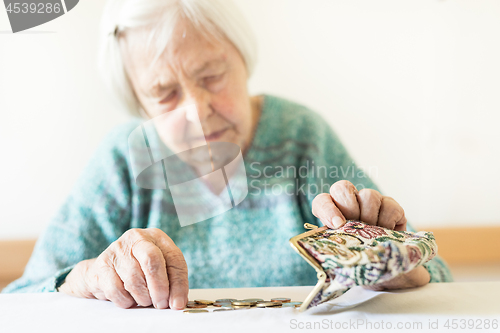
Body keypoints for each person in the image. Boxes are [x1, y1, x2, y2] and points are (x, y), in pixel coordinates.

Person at [2, 0, 452, 309]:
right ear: (140, 105)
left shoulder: (300, 136)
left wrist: (394, 266)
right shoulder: (124, 159)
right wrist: (85, 279)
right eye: (163, 94)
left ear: (242, 58)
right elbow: (19, 300)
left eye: (212, 75)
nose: (197, 112)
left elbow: (437, 278)